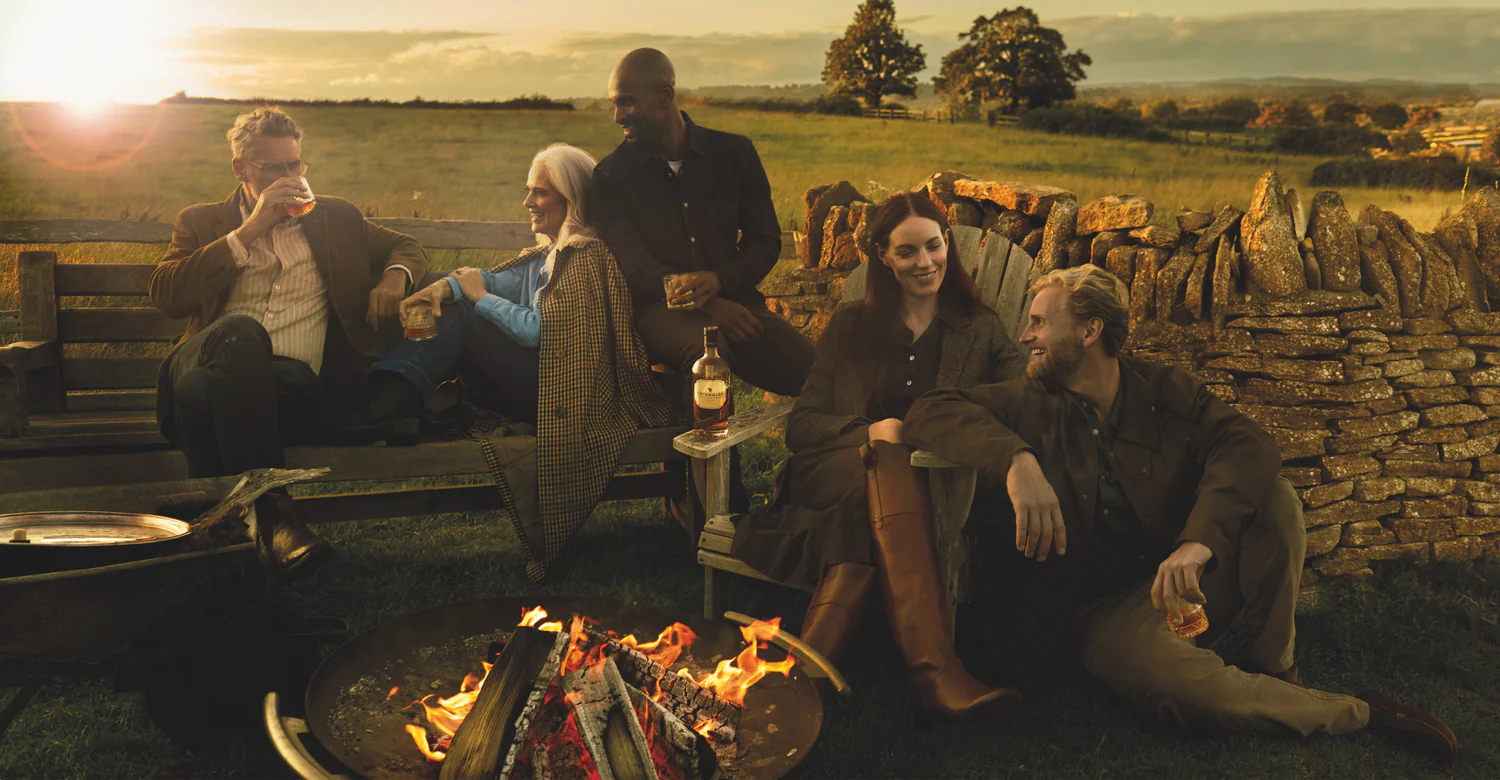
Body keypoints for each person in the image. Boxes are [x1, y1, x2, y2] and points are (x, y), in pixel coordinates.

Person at [903, 265, 1458, 758]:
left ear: (1091, 331)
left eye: (1041, 323)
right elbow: (929, 411)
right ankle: (1359, 712)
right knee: (1192, 696)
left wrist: (1197, 544)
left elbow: (1250, 445)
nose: (1026, 336)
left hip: (1180, 579)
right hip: (1100, 612)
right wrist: (1017, 460)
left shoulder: (1162, 389)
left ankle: (1274, 666)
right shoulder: (1028, 401)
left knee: (1276, 500)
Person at [731, 192, 1029, 718]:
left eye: (934, 247)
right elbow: (802, 426)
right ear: (884, 257)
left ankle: (805, 679)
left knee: (875, 494)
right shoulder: (850, 325)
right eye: (908, 252)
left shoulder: (979, 329)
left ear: (947, 248)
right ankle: (935, 671)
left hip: (932, 487)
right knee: (886, 464)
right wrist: (872, 432)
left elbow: (1022, 394)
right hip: (833, 468)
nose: (926, 262)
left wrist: (944, 422)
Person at [368, 143, 674, 581]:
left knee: (469, 316)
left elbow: (539, 331)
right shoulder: (547, 254)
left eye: (540, 193)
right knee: (456, 300)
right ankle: (394, 399)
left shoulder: (585, 258)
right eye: (529, 190)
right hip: (533, 382)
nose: (528, 202)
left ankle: (388, 400)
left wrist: (477, 297)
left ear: (572, 199)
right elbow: (491, 279)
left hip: (561, 394)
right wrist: (442, 289)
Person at [150, 107, 426, 578]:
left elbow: (407, 245)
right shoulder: (201, 222)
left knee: (202, 396)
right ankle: (276, 518)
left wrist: (396, 277)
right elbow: (168, 295)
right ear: (241, 169)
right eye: (273, 168)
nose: (289, 177)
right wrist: (251, 229)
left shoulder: (334, 217)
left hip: (290, 388)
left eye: (295, 165)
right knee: (238, 334)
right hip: (204, 356)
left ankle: (226, 535)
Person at [592, 48, 816, 397]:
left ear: (665, 94)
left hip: (737, 303)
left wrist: (720, 281)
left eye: (628, 102)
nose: (618, 116)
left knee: (820, 375)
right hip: (658, 313)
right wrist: (705, 303)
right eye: (615, 105)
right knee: (708, 359)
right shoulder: (611, 175)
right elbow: (632, 265)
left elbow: (765, 240)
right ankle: (708, 453)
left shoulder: (734, 154)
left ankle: (825, 449)